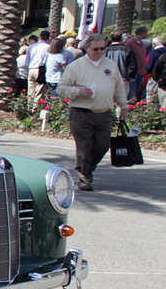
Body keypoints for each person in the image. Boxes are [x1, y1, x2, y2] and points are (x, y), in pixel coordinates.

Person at [56, 32, 130, 191]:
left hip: (104, 112)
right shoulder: (76, 66)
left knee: (102, 145)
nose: (99, 52)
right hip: (81, 112)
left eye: (103, 48)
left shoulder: (110, 65)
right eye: (96, 49)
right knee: (84, 147)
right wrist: (77, 92)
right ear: (87, 48)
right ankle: (85, 178)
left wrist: (123, 106)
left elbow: (119, 87)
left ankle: (87, 169)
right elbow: (61, 88)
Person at [124, 25, 152, 102]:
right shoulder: (130, 43)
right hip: (133, 73)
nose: (147, 34)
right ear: (142, 33)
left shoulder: (142, 44)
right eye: (146, 32)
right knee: (131, 95)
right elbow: (126, 58)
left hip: (141, 73)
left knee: (136, 94)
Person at [25, 30, 51, 97]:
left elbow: (27, 60)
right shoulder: (48, 47)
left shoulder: (31, 46)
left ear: (40, 37)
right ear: (48, 38)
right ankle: (35, 107)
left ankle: (29, 106)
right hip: (40, 69)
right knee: (39, 92)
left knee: (30, 91)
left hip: (31, 69)